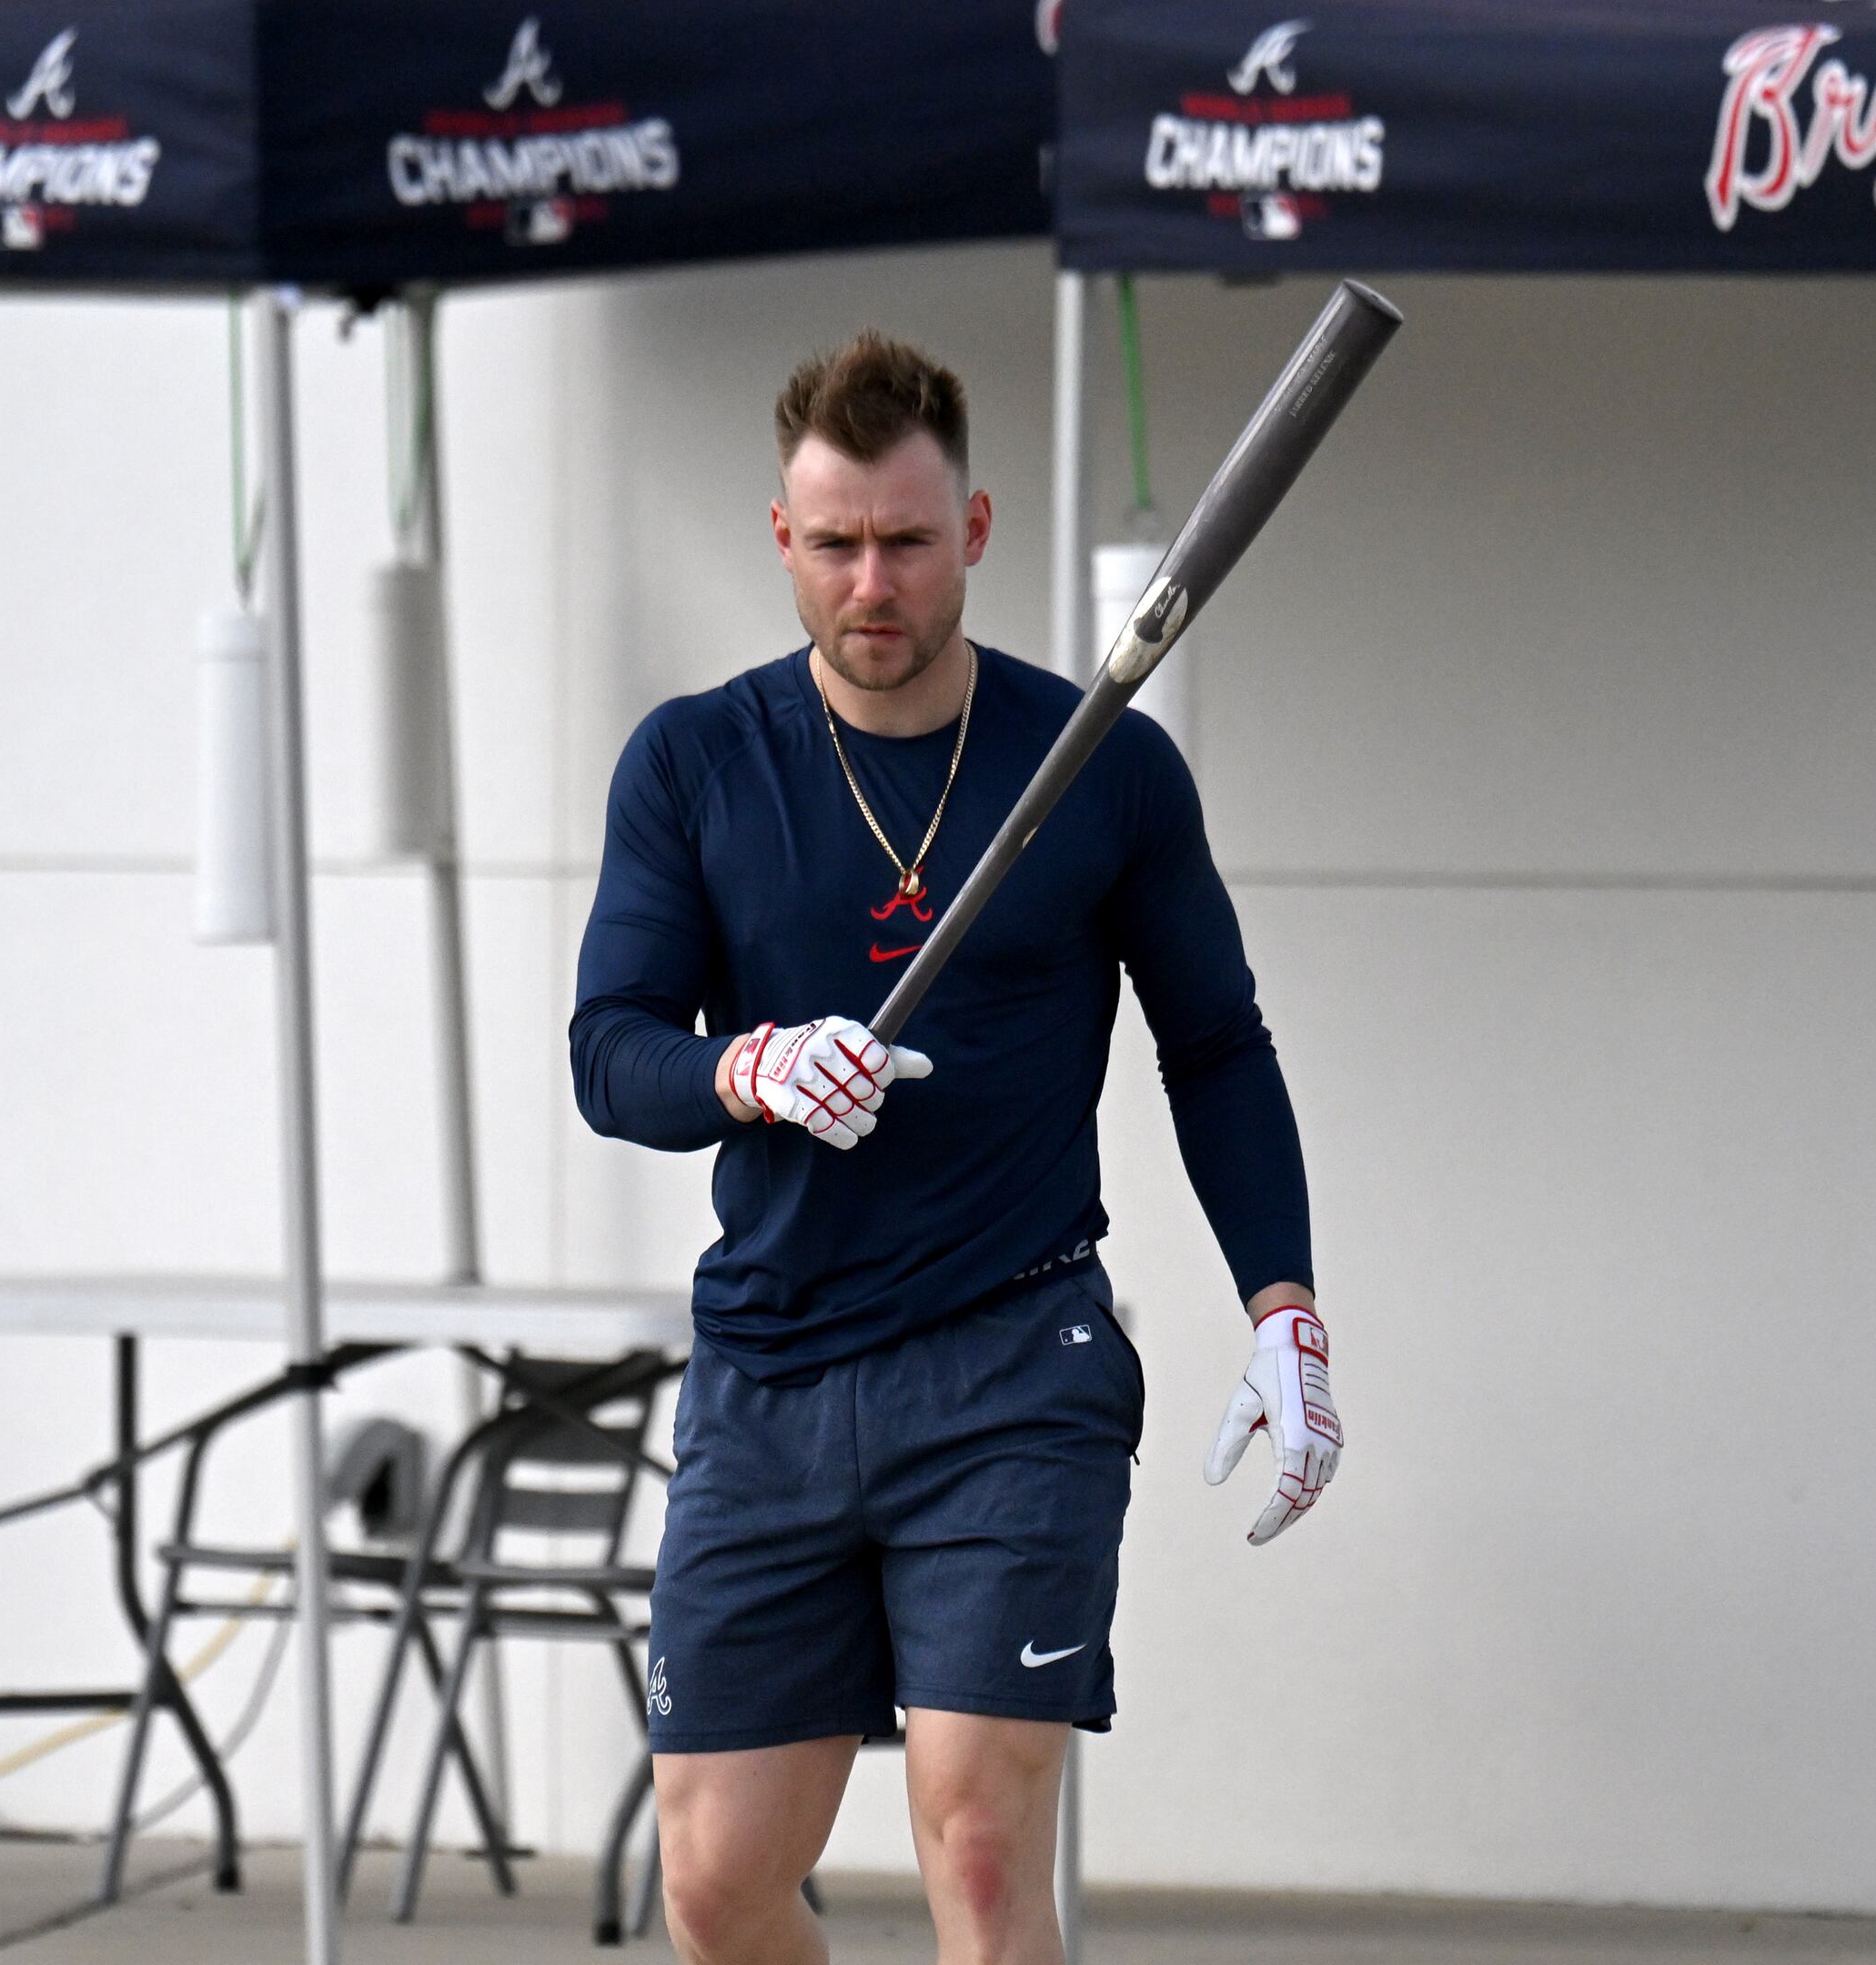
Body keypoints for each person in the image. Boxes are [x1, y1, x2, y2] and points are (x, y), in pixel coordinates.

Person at [569, 331, 1341, 1965]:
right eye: (836, 542)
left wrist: (1284, 1301)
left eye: (908, 542)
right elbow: (611, 1053)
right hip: (769, 1370)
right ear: (782, 537)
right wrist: (754, 1069)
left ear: (975, 532)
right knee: (713, 1884)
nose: (873, 582)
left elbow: (1215, 1046)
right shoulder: (698, 763)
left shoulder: (1103, 767)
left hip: (1014, 1360)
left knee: (985, 1856)